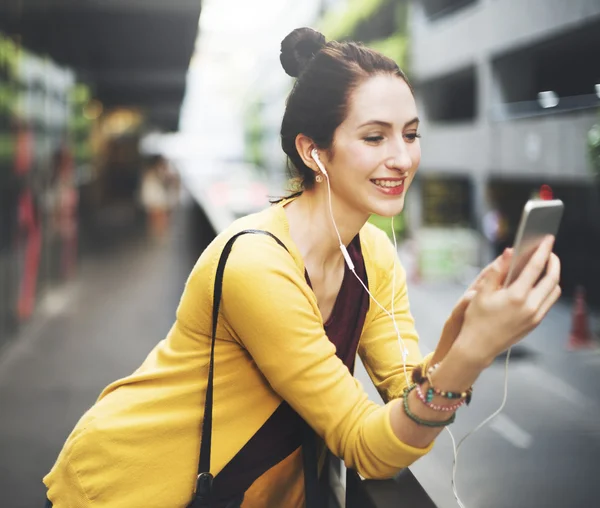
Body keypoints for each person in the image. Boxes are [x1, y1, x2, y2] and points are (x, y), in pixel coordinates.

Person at [43, 28, 561, 508]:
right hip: (122, 489)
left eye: (411, 133)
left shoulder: (373, 255)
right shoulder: (258, 264)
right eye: (375, 137)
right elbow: (367, 445)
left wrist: (461, 332)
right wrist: (473, 353)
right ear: (314, 152)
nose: (402, 158)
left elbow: (409, 401)